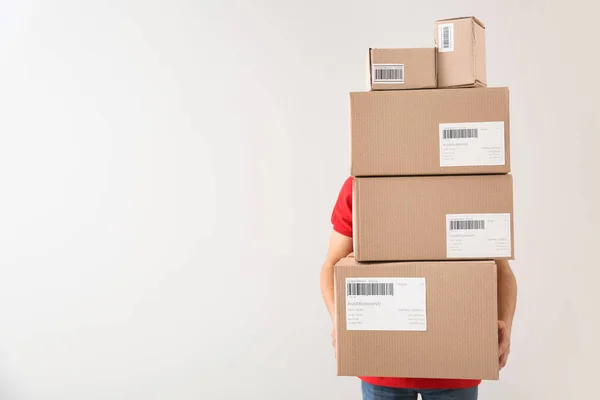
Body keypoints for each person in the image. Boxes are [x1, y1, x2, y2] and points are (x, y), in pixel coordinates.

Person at [320, 176, 517, 400]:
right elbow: (332, 266)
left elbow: (502, 271)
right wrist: (340, 321)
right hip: (382, 365)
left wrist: (505, 326)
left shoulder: (469, 183)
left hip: (458, 363)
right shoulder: (362, 184)